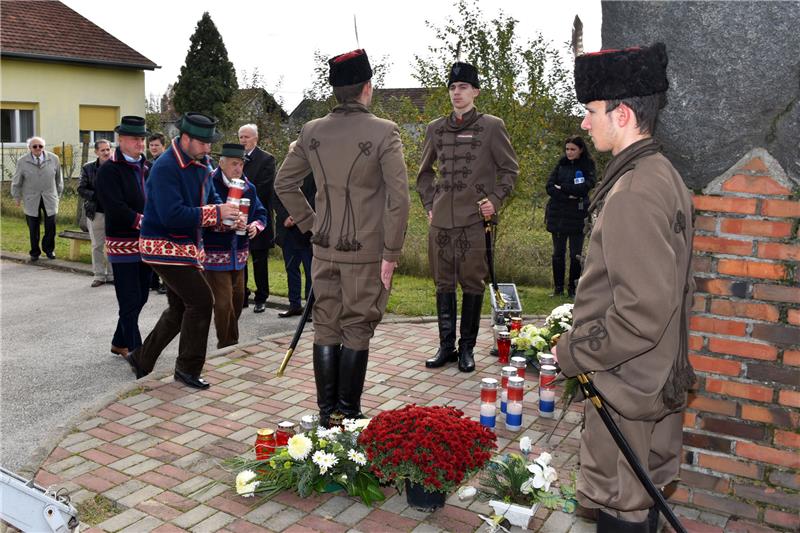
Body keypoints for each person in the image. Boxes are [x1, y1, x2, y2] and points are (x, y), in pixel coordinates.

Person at [553, 43, 695, 533]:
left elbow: (640, 314)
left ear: (624, 113)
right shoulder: (663, 175)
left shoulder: (633, 191)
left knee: (623, 505)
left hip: (626, 384)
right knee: (643, 495)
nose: (586, 124)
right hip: (651, 379)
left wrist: (572, 350)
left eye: (592, 112)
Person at [274, 49, 410, 425]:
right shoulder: (384, 131)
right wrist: (391, 253)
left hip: (324, 248)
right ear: (367, 88)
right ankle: (347, 415)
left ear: (336, 90)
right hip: (365, 252)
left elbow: (284, 183)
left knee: (326, 324)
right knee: (356, 327)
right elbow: (399, 199)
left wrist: (311, 224)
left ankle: (325, 415)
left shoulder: (312, 130)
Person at [417, 60, 519, 373]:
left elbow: (509, 169)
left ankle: (466, 349)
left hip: (475, 221)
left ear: (475, 91)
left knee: (472, 284)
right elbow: (423, 174)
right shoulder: (435, 128)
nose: (457, 93)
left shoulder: (492, 126)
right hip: (442, 223)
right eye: (452, 88)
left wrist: (495, 200)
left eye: (463, 87)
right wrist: (429, 204)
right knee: (443, 284)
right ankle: (446, 346)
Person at [126, 113, 238, 390]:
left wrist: (227, 215)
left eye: (210, 143)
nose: (208, 148)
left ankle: (141, 357)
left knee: (179, 308)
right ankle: (187, 369)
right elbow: (172, 216)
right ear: (185, 138)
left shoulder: (201, 163)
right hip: (161, 246)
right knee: (201, 301)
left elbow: (210, 197)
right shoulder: (165, 167)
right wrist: (215, 213)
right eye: (203, 143)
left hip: (185, 247)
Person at [94, 117, 152, 358]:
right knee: (129, 299)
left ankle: (119, 341)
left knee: (142, 296)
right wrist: (143, 221)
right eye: (135, 139)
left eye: (142, 138)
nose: (140, 143)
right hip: (122, 244)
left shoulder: (148, 167)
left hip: (146, 242)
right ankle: (137, 353)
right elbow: (114, 206)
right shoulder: (109, 169)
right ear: (121, 140)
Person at [203, 143, 267, 348]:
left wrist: (255, 226)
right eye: (233, 164)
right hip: (214, 254)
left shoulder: (249, 187)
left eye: (241, 164)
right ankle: (228, 345)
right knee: (223, 304)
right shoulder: (208, 183)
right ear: (221, 163)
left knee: (238, 301)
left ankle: (230, 340)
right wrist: (221, 222)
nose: (238, 169)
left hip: (239, 254)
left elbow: (261, 213)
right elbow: (199, 215)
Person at [544, 135, 596, 297]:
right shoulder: (561, 164)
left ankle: (573, 289)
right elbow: (550, 187)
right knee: (558, 254)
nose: (569, 152)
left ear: (581, 150)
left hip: (577, 215)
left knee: (575, 255)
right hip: (558, 215)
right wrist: (568, 195)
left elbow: (585, 188)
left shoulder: (588, 165)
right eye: (567, 149)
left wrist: (563, 187)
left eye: (573, 149)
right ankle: (558, 289)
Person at [273, 143, 315, 318]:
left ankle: (310, 308)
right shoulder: (282, 172)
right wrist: (286, 217)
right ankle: (294, 304)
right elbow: (275, 196)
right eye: (290, 152)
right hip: (288, 231)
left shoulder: (315, 172)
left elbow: (317, 197)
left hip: (308, 231)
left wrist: (299, 217)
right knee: (291, 269)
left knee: (311, 271)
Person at [239, 124, 276, 313]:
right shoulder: (236, 159)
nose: (243, 140)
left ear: (256, 138)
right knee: (241, 260)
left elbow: (264, 189)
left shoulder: (267, 159)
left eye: (246, 137)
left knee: (260, 260)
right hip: (239, 218)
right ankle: (242, 295)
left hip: (258, 216)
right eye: (241, 137)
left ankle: (262, 297)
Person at [12, 136, 63, 261]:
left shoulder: (54, 159)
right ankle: (35, 252)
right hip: (31, 198)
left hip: (50, 197)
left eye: (40, 146)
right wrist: (16, 196)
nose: (38, 148)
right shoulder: (22, 161)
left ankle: (49, 250)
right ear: (29, 148)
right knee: (33, 226)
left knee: (51, 225)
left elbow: (59, 179)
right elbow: (16, 180)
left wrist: (58, 195)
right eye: (35, 146)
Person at [78, 139, 114, 287]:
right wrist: (97, 195)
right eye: (103, 150)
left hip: (114, 213)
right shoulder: (88, 168)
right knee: (97, 245)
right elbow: (81, 189)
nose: (106, 152)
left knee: (112, 245)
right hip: (95, 212)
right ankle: (99, 275)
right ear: (96, 152)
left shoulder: (117, 166)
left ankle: (112, 275)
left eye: (108, 149)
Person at [146, 132, 168, 294]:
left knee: (163, 246)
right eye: (151, 145)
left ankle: (165, 282)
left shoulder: (164, 163)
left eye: (156, 145)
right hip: (151, 208)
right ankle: (154, 281)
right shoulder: (148, 163)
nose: (153, 148)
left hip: (163, 210)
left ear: (163, 146)